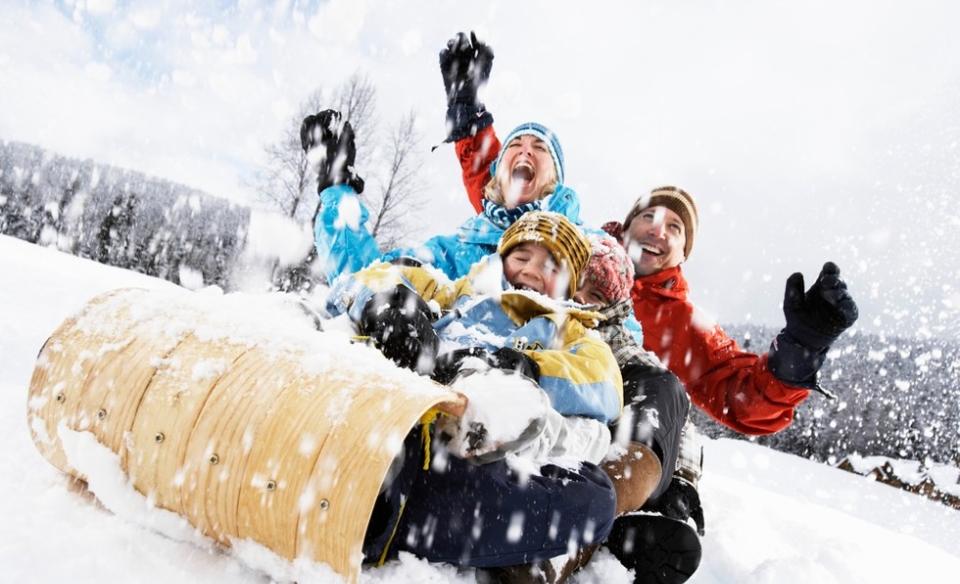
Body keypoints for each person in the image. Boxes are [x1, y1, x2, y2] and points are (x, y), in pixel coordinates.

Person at [325, 211, 622, 582]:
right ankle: (400, 508)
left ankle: (386, 502)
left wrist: (527, 366)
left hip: (457, 458)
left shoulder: (568, 331)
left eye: (551, 266)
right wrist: (385, 304)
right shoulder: (450, 292)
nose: (532, 270)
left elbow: (604, 385)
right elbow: (360, 279)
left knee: (596, 495)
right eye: (522, 256)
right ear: (501, 258)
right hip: (394, 405)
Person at [303, 106, 582, 284]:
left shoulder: (585, 249)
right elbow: (365, 281)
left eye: (540, 148)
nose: (526, 151)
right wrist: (337, 188)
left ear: (556, 179)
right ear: (498, 173)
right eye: (515, 145)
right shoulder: (457, 253)